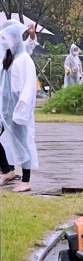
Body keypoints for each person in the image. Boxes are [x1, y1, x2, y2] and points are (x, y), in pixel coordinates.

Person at [0, 22, 38, 192]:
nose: (3, 41)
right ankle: (7, 170)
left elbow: (28, 86)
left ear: (14, 38)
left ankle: (26, 180)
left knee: (23, 142)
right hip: (5, 107)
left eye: (4, 38)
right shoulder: (8, 58)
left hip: (18, 107)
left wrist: (21, 108)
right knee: (10, 141)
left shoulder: (24, 60)